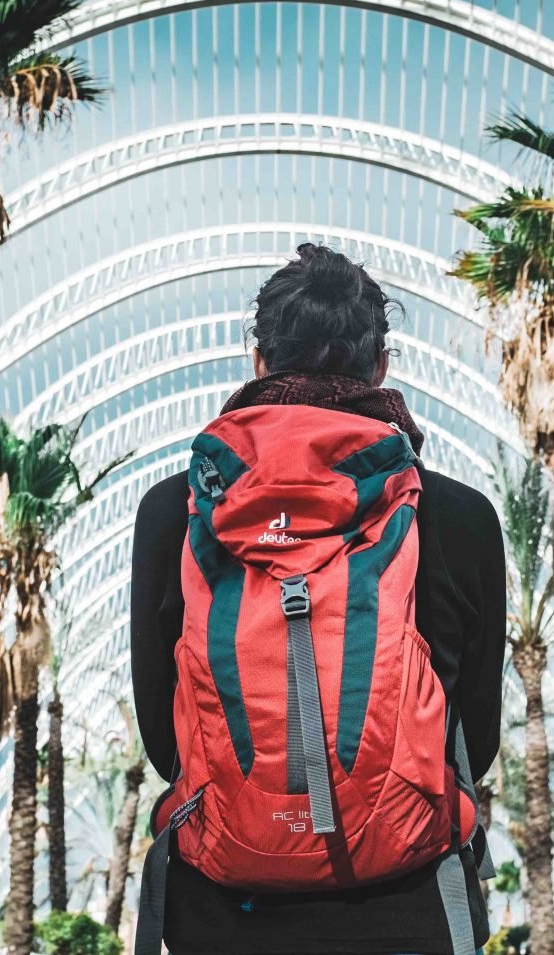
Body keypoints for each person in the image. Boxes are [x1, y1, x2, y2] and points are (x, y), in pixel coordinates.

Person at [129, 243, 507, 955]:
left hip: (223, 918)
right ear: (382, 368)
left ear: (258, 360)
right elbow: (473, 742)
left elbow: (163, 739)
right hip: (410, 914)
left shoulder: (172, 513)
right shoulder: (454, 515)